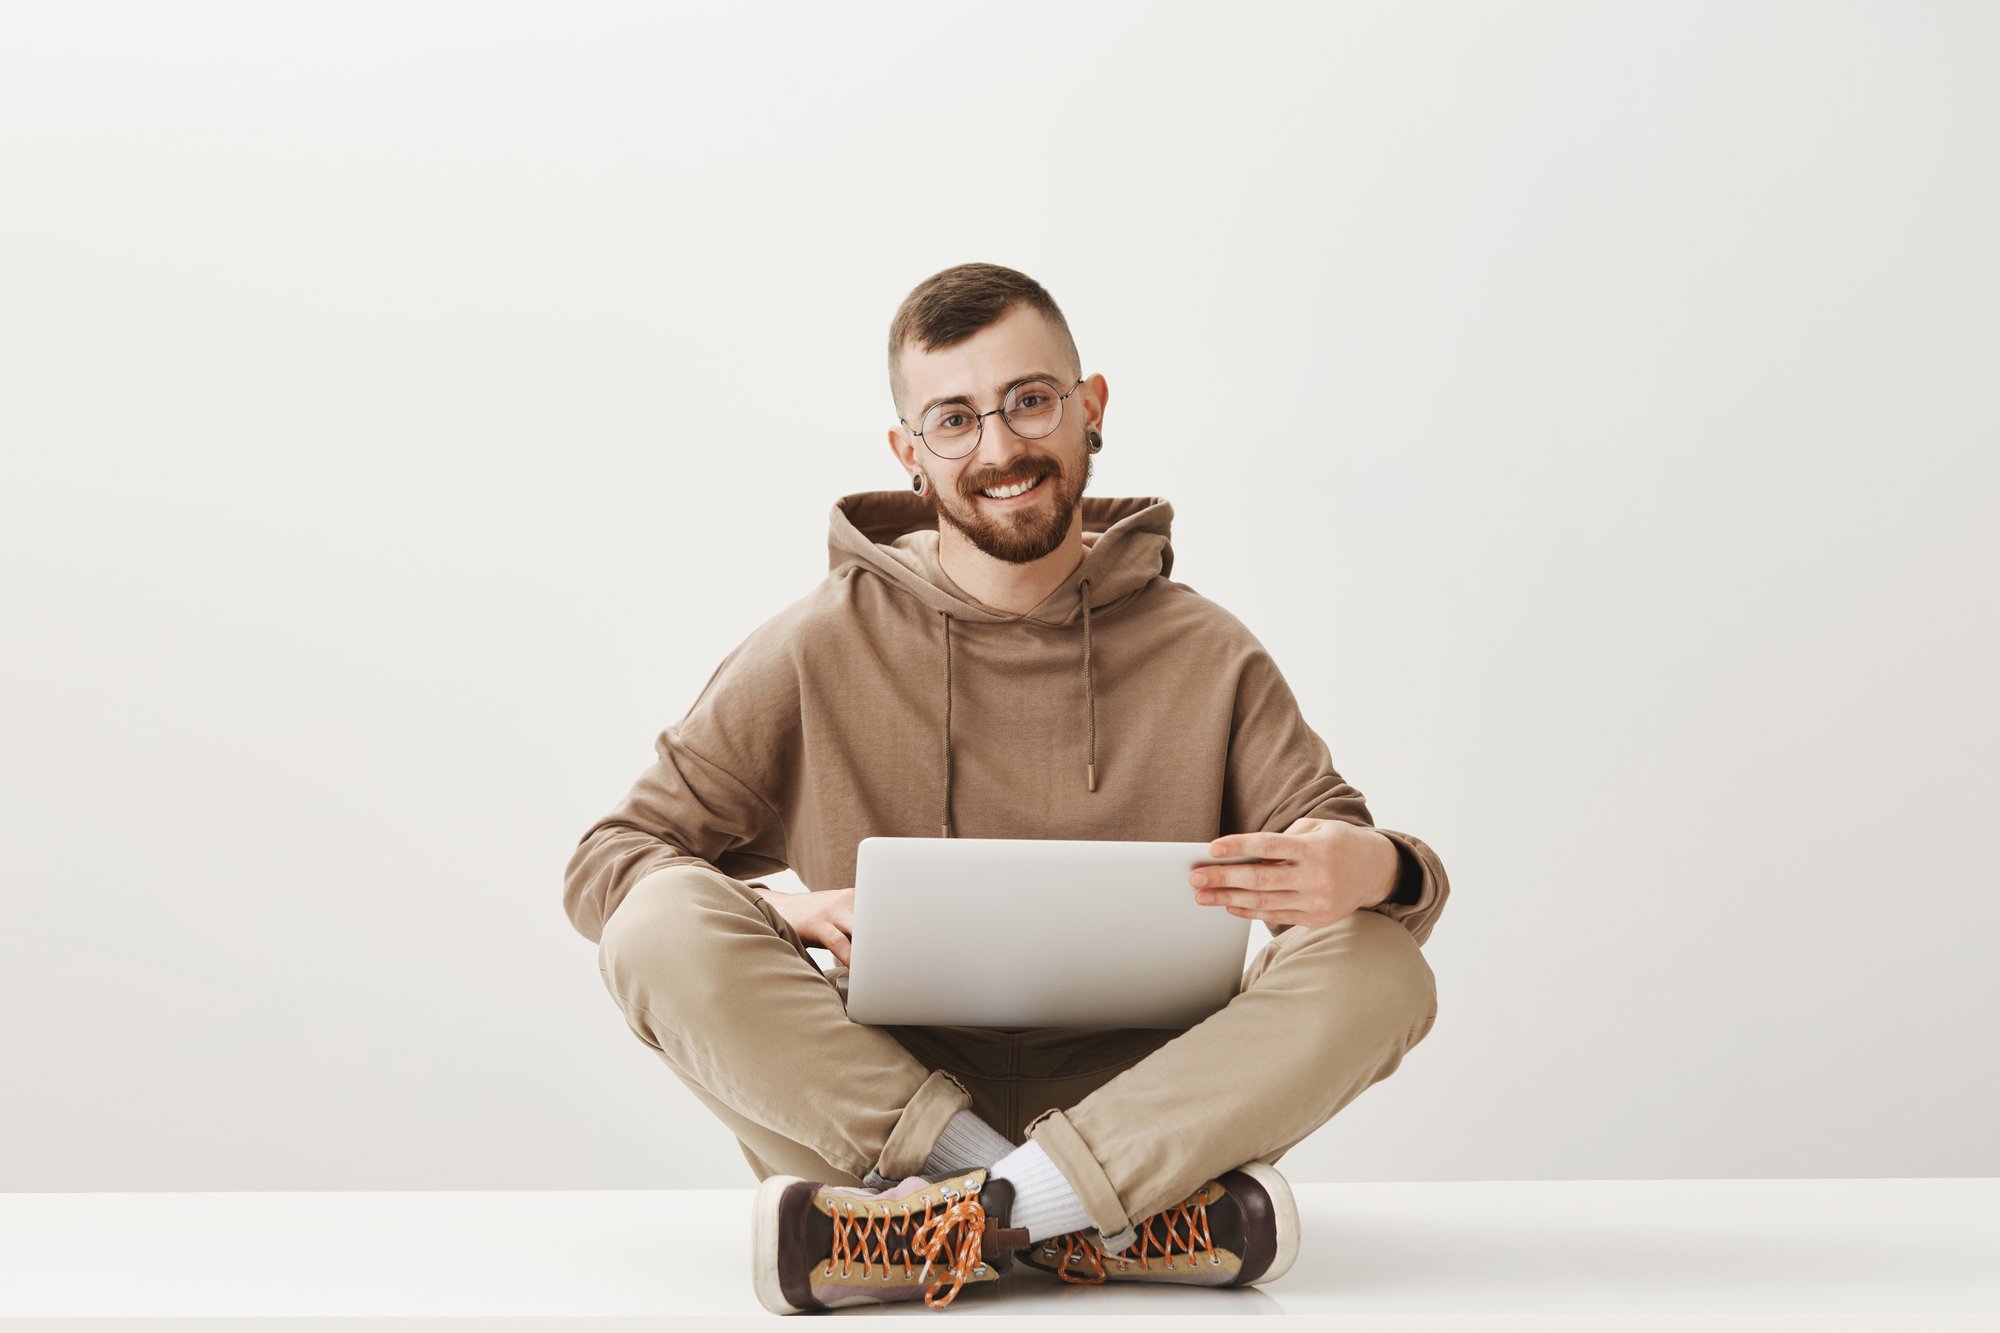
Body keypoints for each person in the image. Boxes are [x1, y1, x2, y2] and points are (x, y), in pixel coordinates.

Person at [566, 262, 1447, 1314]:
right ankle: (1072, 1217)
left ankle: (958, 1227)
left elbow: (1353, 870)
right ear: (909, 453)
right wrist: (783, 909)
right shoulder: (815, 642)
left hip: (1148, 1109)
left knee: (1379, 964)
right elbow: (607, 866)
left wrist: (1375, 864)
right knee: (656, 920)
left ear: (1089, 410)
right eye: (954, 419)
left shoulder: (1207, 651)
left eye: (1029, 401)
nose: (998, 448)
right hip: (879, 1120)